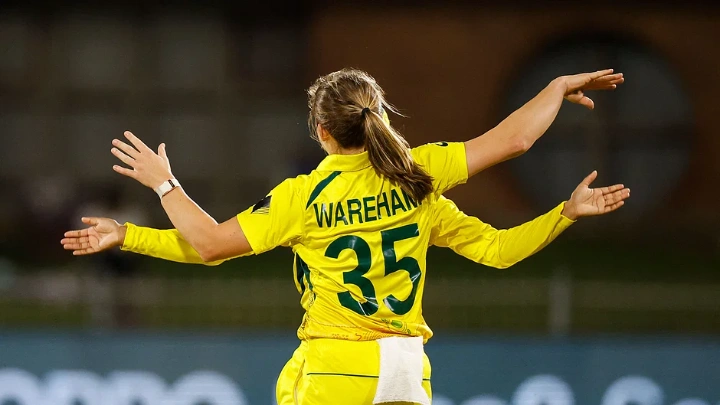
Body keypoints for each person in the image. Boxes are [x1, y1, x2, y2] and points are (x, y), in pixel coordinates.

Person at [61, 68, 628, 405]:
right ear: (378, 117)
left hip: (337, 369)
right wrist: (564, 207)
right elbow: (512, 151)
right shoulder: (420, 179)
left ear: (322, 131)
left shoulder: (302, 198)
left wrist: (163, 188)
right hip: (409, 371)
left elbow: (208, 243)